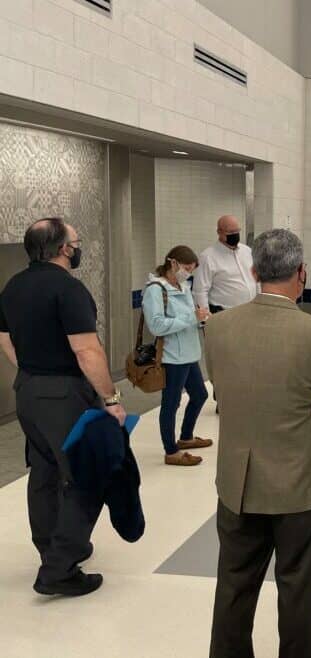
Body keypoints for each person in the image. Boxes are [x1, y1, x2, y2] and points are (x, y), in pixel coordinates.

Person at [205, 229, 311, 658]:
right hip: (301, 485)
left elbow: (221, 386)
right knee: (298, 591)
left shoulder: (219, 328)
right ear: (302, 272)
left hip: (238, 483)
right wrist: (303, 436)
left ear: (254, 272)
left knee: (233, 587)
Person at [0, 218, 127, 597]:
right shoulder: (68, 289)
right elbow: (86, 350)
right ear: (63, 249)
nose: (78, 247)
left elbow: (4, 338)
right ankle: (59, 568)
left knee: (44, 472)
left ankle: (52, 548)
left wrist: (31, 370)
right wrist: (111, 398)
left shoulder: (13, 286)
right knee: (87, 476)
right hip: (65, 395)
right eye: (76, 241)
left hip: (27, 391)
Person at [142, 246, 212, 467]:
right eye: (186, 268)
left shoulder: (183, 286)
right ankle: (171, 451)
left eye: (191, 270)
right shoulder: (155, 289)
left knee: (200, 395)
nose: (188, 273)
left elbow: (191, 317)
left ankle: (186, 437)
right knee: (171, 404)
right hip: (172, 357)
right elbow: (156, 325)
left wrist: (202, 319)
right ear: (173, 263)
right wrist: (192, 318)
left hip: (190, 354)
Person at [192, 215, 257, 411]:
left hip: (249, 313)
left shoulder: (247, 251)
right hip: (222, 315)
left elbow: (256, 279)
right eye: (230, 233)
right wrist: (205, 322)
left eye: (237, 231)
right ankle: (223, 398)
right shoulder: (208, 257)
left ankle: (244, 397)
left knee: (247, 358)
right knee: (224, 360)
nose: (235, 235)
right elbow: (200, 290)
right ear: (219, 232)